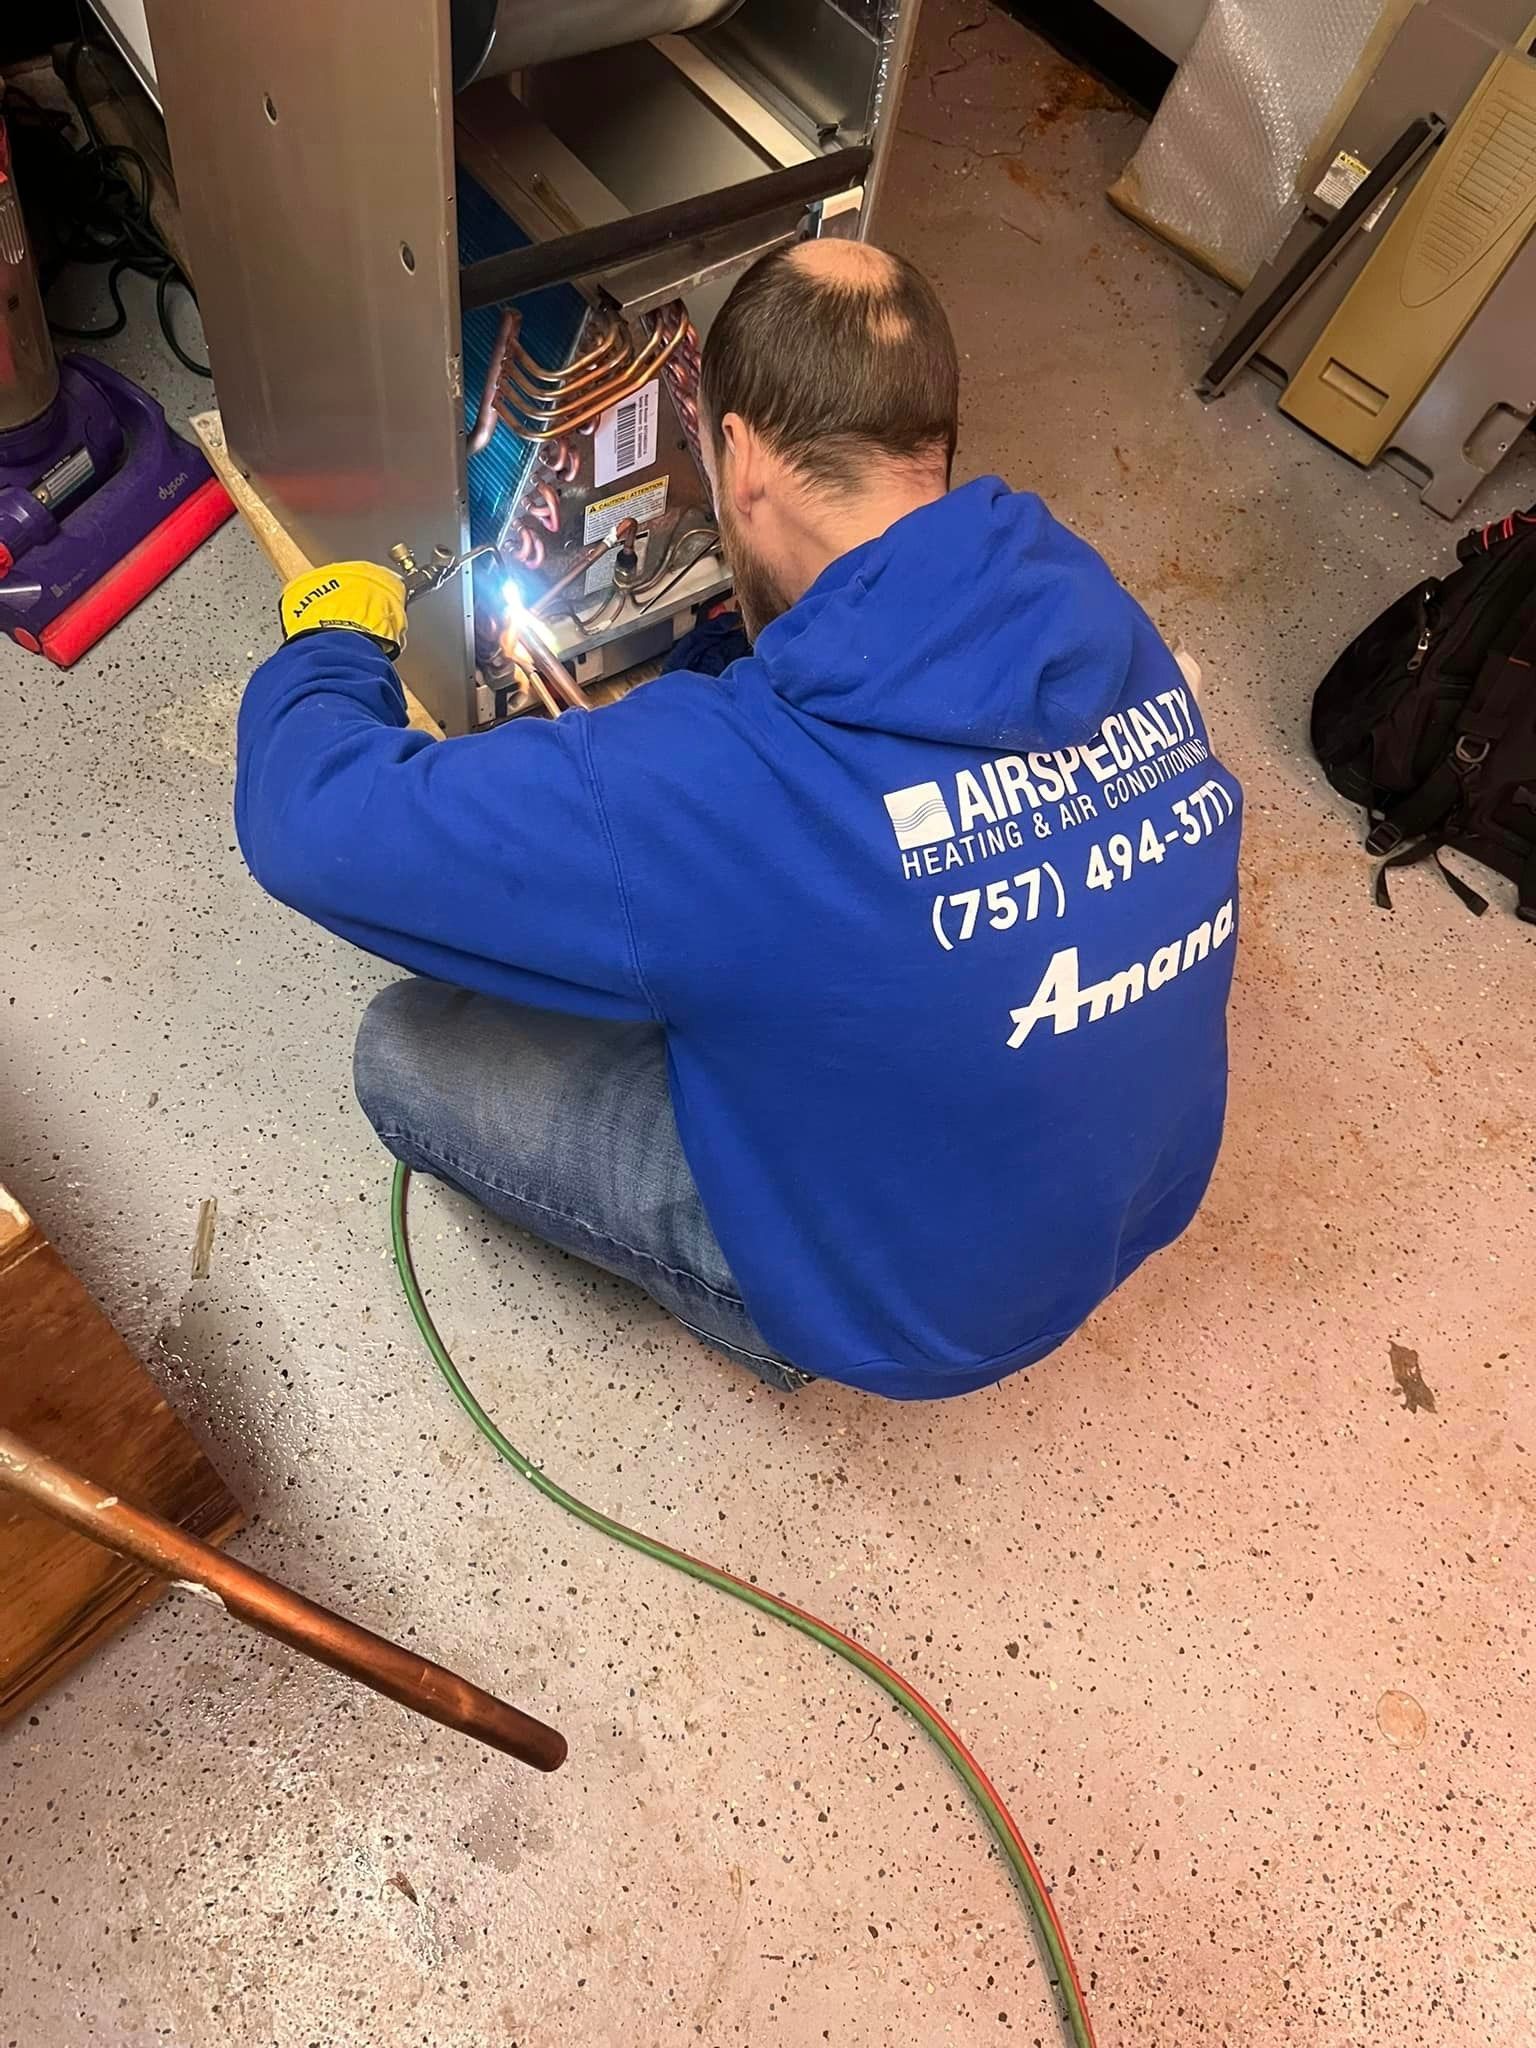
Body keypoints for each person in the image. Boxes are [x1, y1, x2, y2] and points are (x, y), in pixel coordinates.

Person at [235, 238, 1241, 1400]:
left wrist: (330, 647)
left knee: (407, 1050)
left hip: (911, 1309)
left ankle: (773, 1319)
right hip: (1139, 1194)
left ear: (743, 456)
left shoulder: (714, 784)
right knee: (795, 957)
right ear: (932, 442)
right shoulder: (1088, 603)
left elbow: (311, 818)